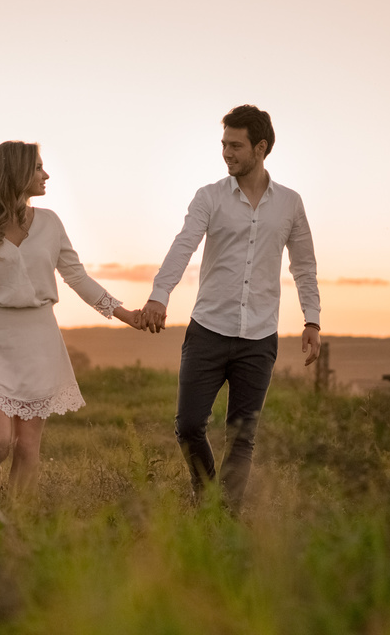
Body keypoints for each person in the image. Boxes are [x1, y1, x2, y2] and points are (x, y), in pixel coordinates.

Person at [0, 141, 142, 494]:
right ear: (15, 173)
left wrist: (127, 315)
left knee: (28, 446)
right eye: (37, 167)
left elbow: (77, 277)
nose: (45, 174)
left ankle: (15, 521)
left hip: (39, 339)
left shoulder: (50, 222)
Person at [138, 105, 321, 513]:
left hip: (259, 337)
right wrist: (159, 294)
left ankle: (223, 518)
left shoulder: (290, 204)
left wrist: (312, 319)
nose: (226, 152)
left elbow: (304, 266)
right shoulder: (209, 197)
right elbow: (183, 245)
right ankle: (205, 494)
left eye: (235, 145)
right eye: (223, 144)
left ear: (261, 147)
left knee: (242, 436)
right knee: (188, 427)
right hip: (208, 330)